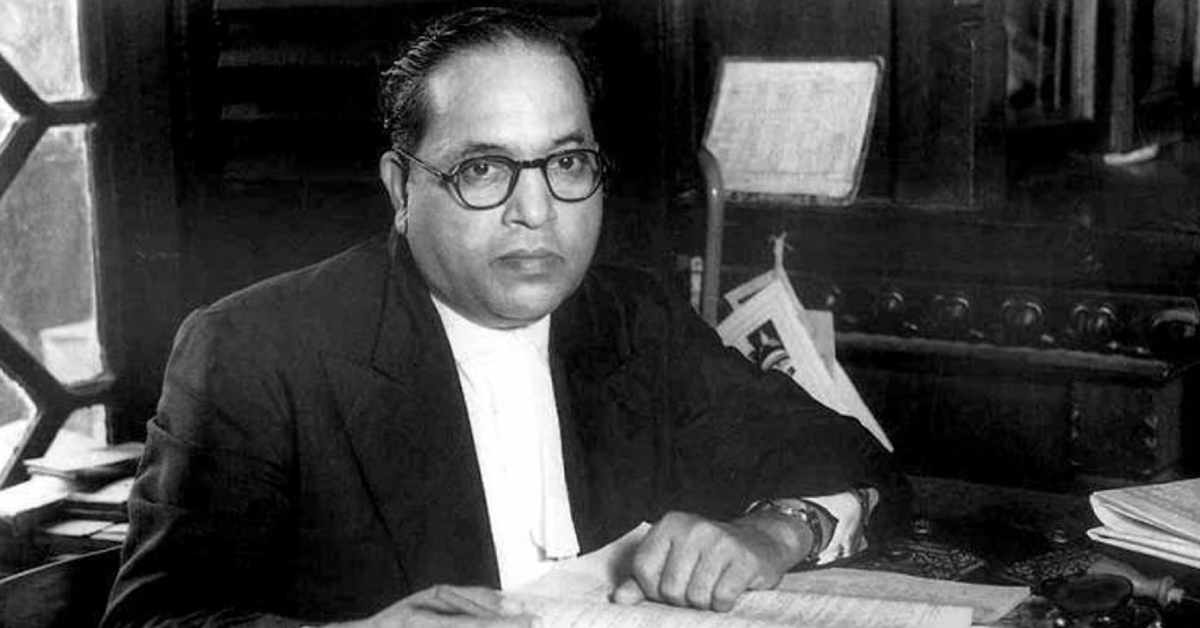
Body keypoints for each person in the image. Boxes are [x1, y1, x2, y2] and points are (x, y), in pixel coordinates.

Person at [102, 7, 908, 627]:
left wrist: (776, 532)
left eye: (567, 163)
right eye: (484, 169)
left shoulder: (633, 318)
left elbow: (860, 461)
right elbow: (149, 620)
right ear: (401, 188)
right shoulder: (254, 352)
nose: (537, 211)